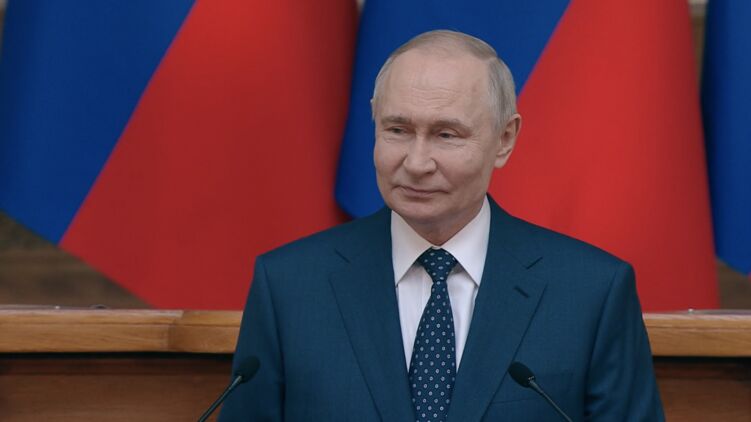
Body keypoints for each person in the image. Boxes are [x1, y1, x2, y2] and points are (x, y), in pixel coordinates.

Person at [219, 30, 664, 421]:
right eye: (397, 129)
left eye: (446, 135)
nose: (416, 163)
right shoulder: (290, 287)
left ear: (504, 139)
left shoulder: (591, 293)